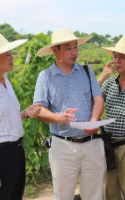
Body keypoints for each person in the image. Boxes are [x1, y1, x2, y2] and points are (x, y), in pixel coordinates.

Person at [33, 28, 106, 200]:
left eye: (75, 47)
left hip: (91, 144)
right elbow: (38, 108)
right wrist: (59, 118)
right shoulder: (46, 77)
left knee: (94, 195)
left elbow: (98, 99)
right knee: (63, 195)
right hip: (63, 146)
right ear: (55, 50)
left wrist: (94, 121)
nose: (74, 52)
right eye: (68, 48)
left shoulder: (86, 71)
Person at [0, 34, 42, 200]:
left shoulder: (6, 82)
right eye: (8, 55)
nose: (13, 58)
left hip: (16, 152)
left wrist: (25, 113)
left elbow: (5, 118)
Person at [98, 36, 125, 200]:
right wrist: (101, 78)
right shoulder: (108, 83)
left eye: (122, 57)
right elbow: (91, 102)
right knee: (110, 189)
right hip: (108, 145)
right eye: (115, 57)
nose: (117, 61)